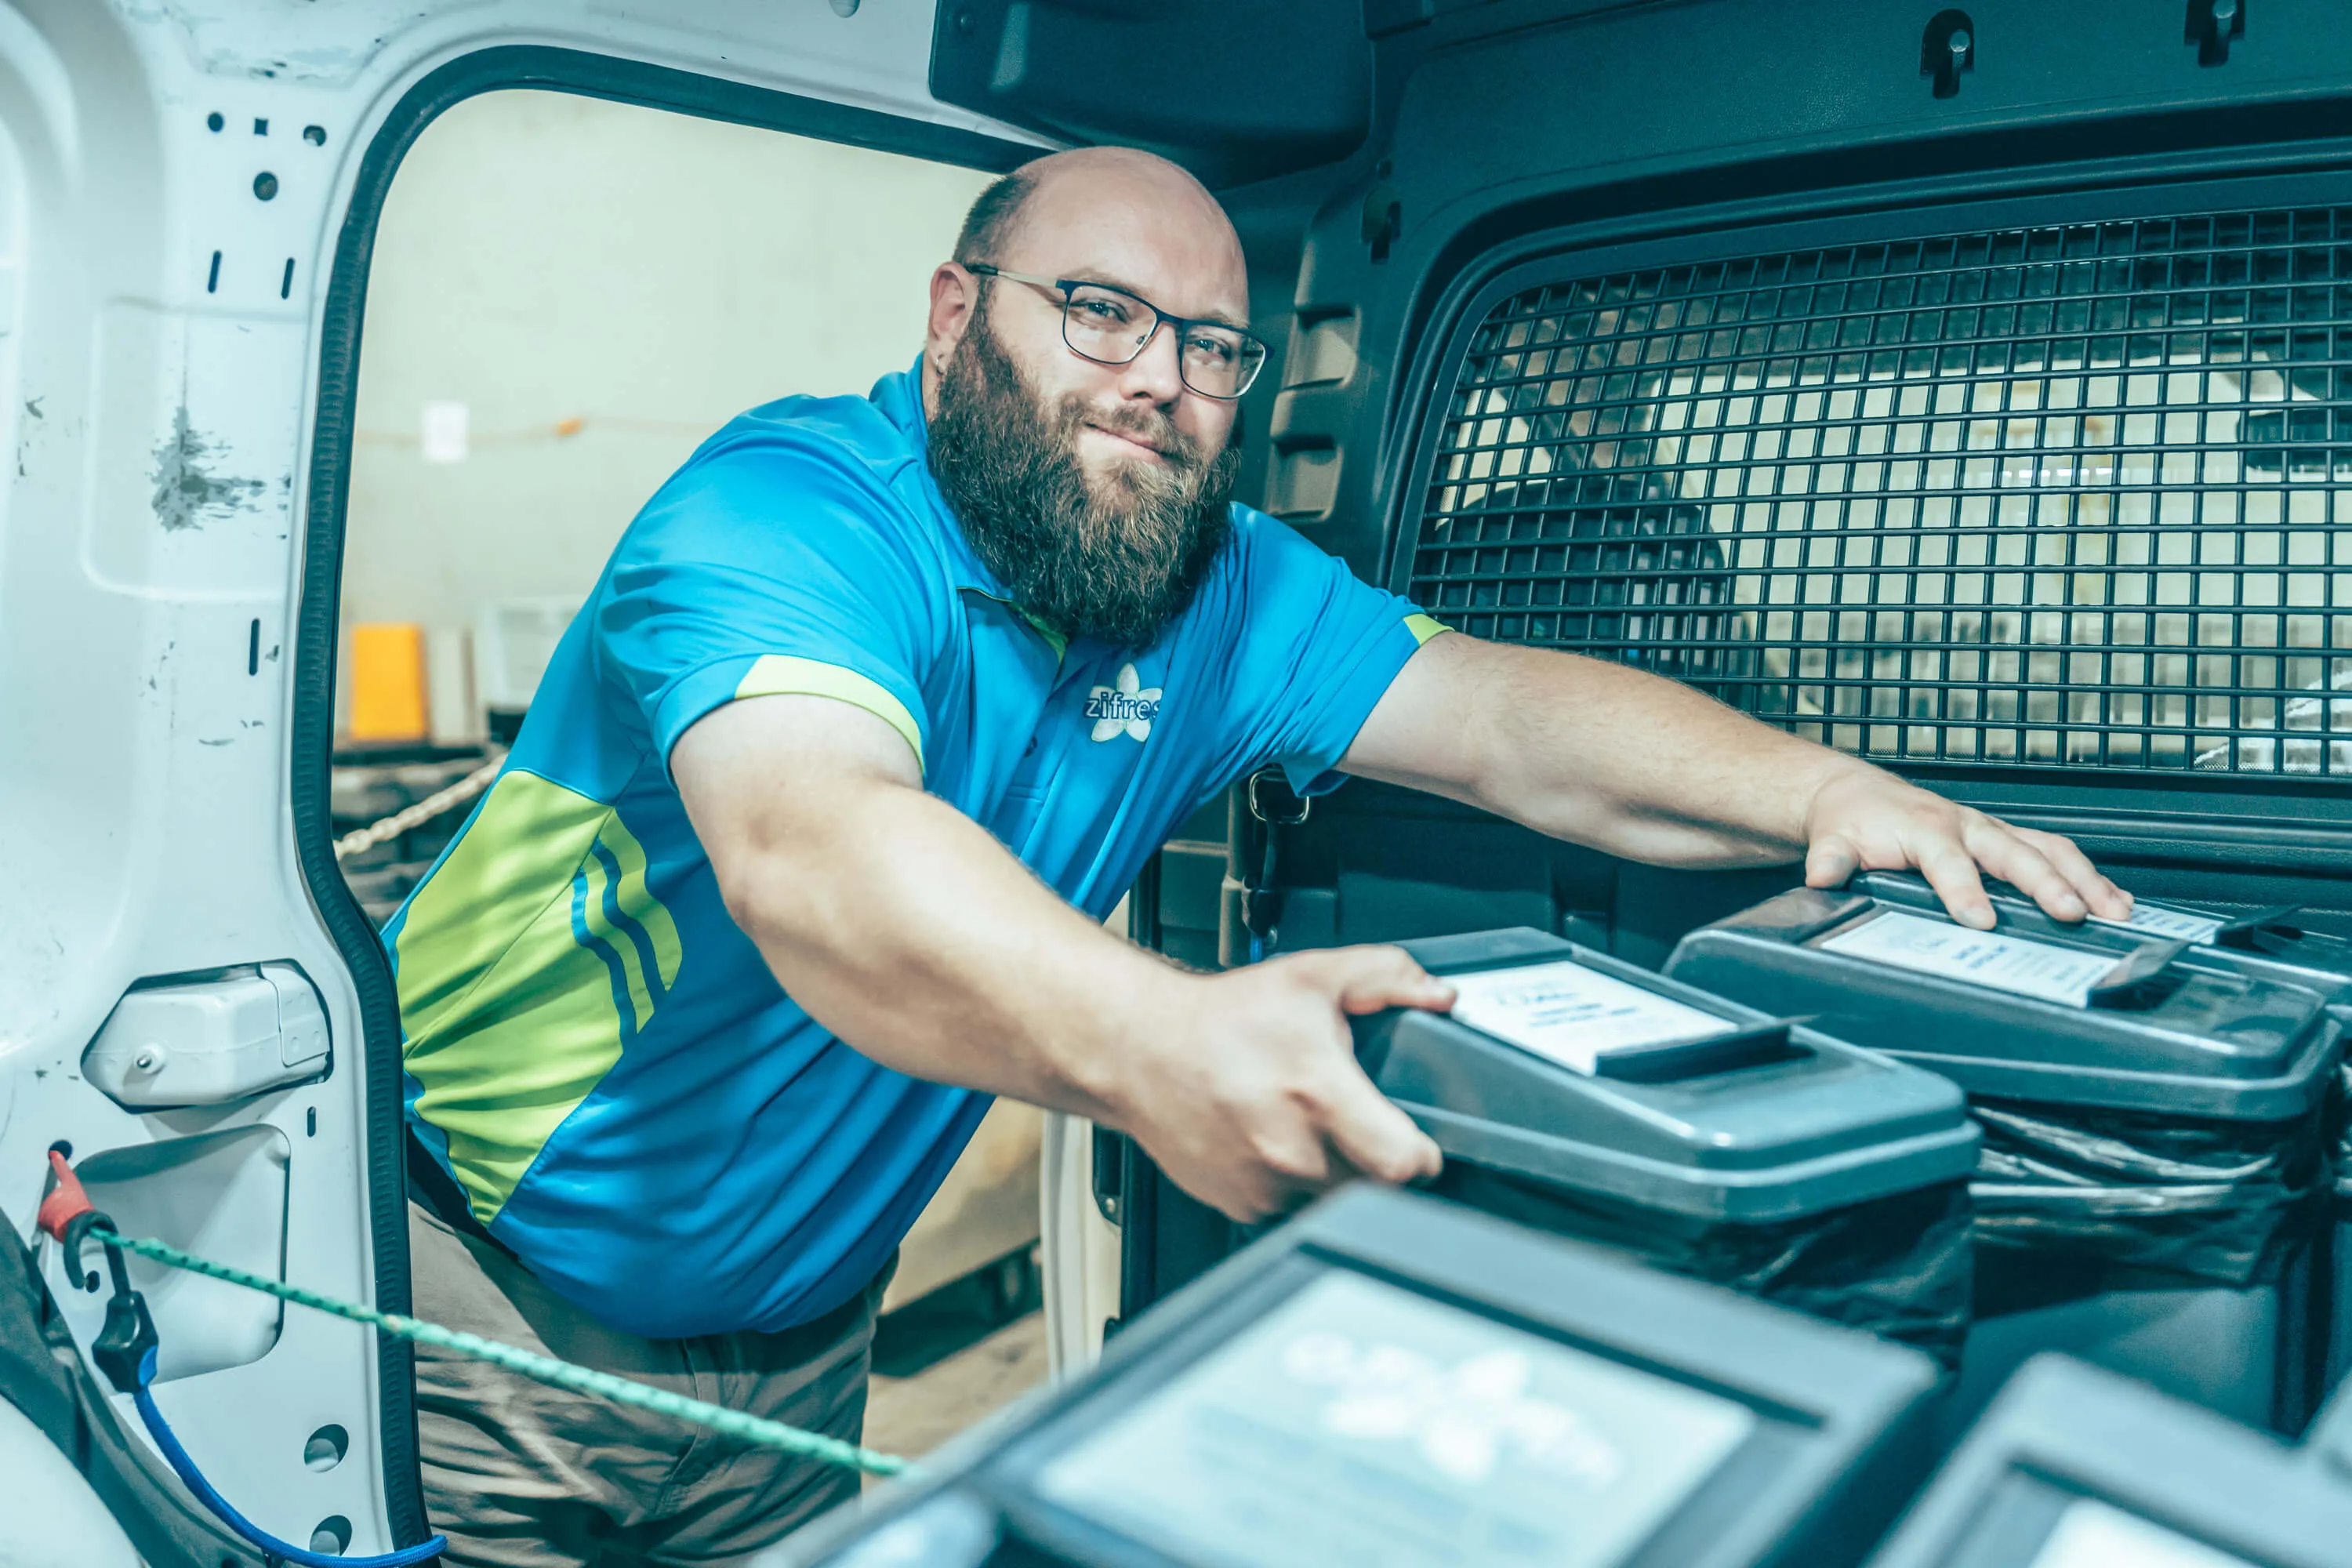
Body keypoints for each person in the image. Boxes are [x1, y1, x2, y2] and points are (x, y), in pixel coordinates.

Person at [384, 145, 2129, 1565]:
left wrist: (1830, 793)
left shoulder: (1213, 590)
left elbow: (1510, 720)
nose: (1159, 379)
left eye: (1212, 344)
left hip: (801, 1352)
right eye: (1099, 311)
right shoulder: (786, 513)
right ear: (949, 316)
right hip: (484, 1321)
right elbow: (814, 852)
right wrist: (1166, 1044)